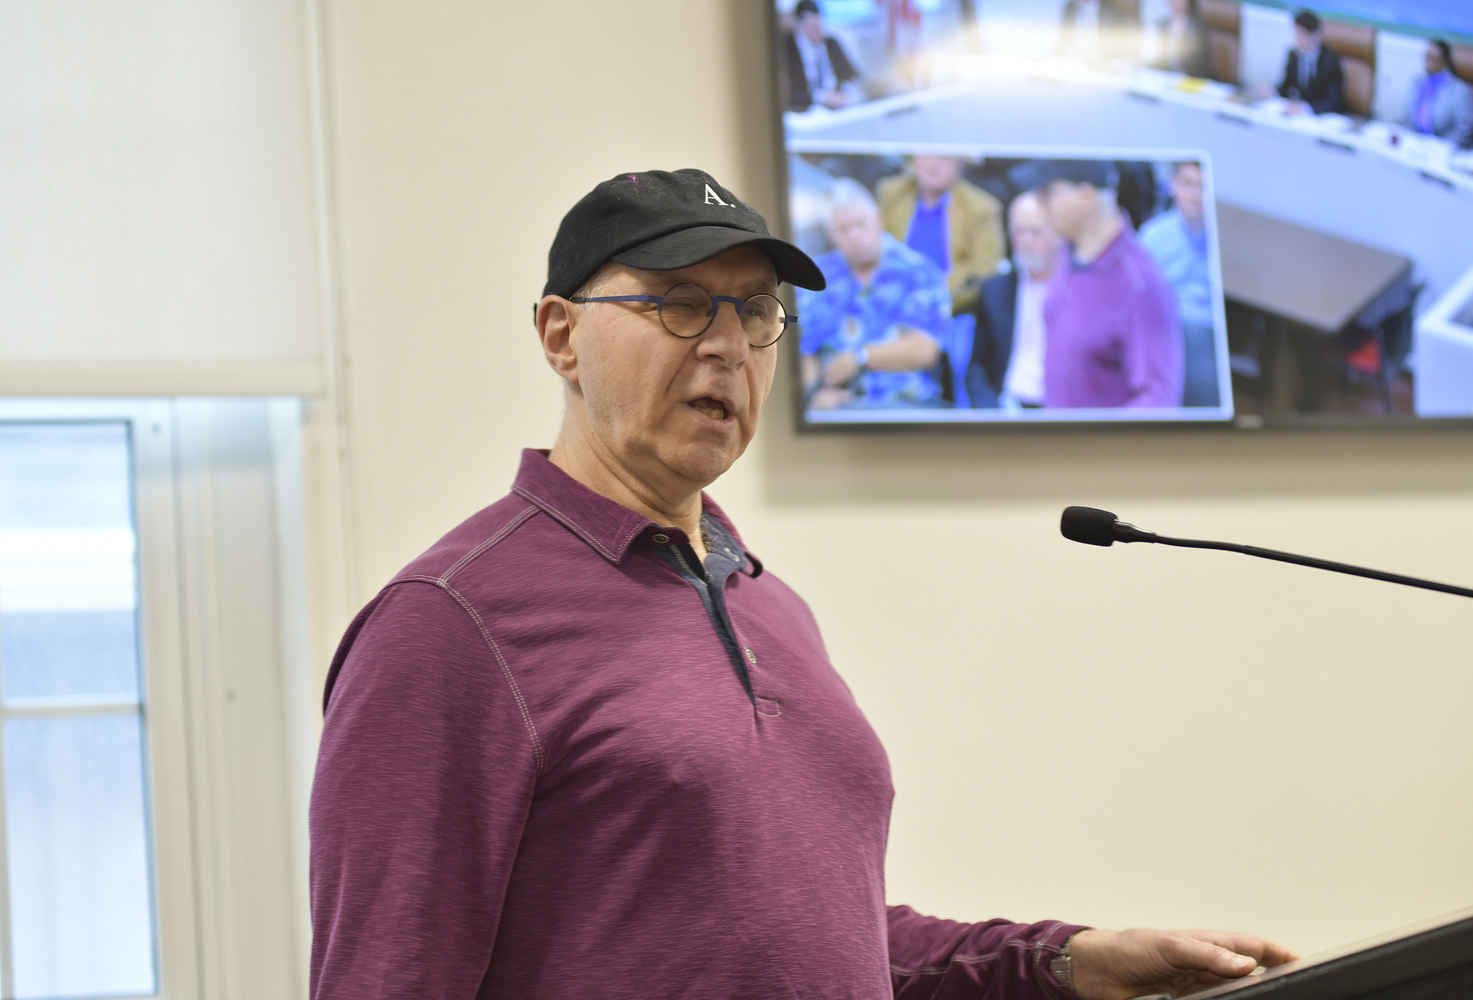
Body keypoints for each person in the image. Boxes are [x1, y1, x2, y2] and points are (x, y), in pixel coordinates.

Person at [308, 166, 1298, 998]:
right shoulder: (447, 625)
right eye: (681, 302)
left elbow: (827, 945)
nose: (728, 343)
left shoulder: (767, 604)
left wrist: (1068, 960)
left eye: (756, 311)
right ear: (562, 336)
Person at [1013, 159, 1183, 408]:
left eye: (1047, 192)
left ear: (1085, 196)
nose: (1038, 202)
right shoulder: (1068, 255)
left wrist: (1092, 444)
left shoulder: (1140, 285)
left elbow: (1159, 400)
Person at [799, 178, 951, 409]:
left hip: (907, 403)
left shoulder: (919, 272)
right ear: (831, 235)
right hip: (835, 406)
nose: (855, 236)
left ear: (879, 220)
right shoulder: (814, 276)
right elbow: (801, 351)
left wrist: (860, 358)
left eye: (861, 224)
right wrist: (812, 396)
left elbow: (925, 349)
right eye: (843, 230)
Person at [877, 154, 1006, 316]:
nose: (933, 164)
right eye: (927, 155)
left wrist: (932, 302)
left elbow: (984, 273)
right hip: (890, 305)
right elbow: (875, 249)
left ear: (960, 163)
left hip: (953, 310)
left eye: (944, 157)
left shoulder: (982, 208)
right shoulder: (891, 194)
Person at [967, 192, 1062, 409]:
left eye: (1036, 232)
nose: (1026, 241)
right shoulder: (995, 290)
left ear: (1058, 234)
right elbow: (976, 368)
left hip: (1060, 411)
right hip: (1007, 407)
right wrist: (990, 418)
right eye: (1019, 232)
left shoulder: (1077, 290)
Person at [1138, 161, 1221, 407]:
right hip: (1164, 328)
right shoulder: (1153, 235)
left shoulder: (1224, 235)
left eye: (1203, 186)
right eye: (1188, 184)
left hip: (1209, 330)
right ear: (1174, 186)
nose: (1195, 194)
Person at [782, 0, 862, 112]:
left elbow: (852, 75)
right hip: (805, 109)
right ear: (799, 24)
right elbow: (788, 93)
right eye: (812, 27)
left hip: (839, 106)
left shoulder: (830, 43)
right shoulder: (787, 49)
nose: (818, 31)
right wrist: (822, 97)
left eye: (819, 26)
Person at [1402, 39, 1473, 149]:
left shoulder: (1460, 91)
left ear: (1444, 62)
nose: (1427, 63)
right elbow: (1408, 119)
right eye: (1426, 57)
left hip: (1441, 149)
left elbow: (1462, 132)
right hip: (1414, 145)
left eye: (1432, 59)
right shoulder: (1418, 82)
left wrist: (1438, 147)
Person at [1276, 10, 1344, 116]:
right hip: (1301, 116)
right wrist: (1273, 92)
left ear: (1315, 35)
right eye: (1296, 34)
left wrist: (1306, 108)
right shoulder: (1293, 55)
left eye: (1301, 34)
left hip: (1323, 116)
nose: (1297, 39)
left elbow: (1333, 102)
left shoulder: (1330, 61)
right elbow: (1286, 87)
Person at [1058, 0, 1140, 65]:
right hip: (1071, 61)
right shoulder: (1070, 6)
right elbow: (1061, 41)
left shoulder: (1111, 8)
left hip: (1101, 64)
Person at [1149, 0, 1211, 79]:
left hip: (1192, 78)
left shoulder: (1198, 28)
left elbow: (1202, 63)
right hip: (1168, 77)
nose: (1177, 3)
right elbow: (1160, 58)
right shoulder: (1162, 25)